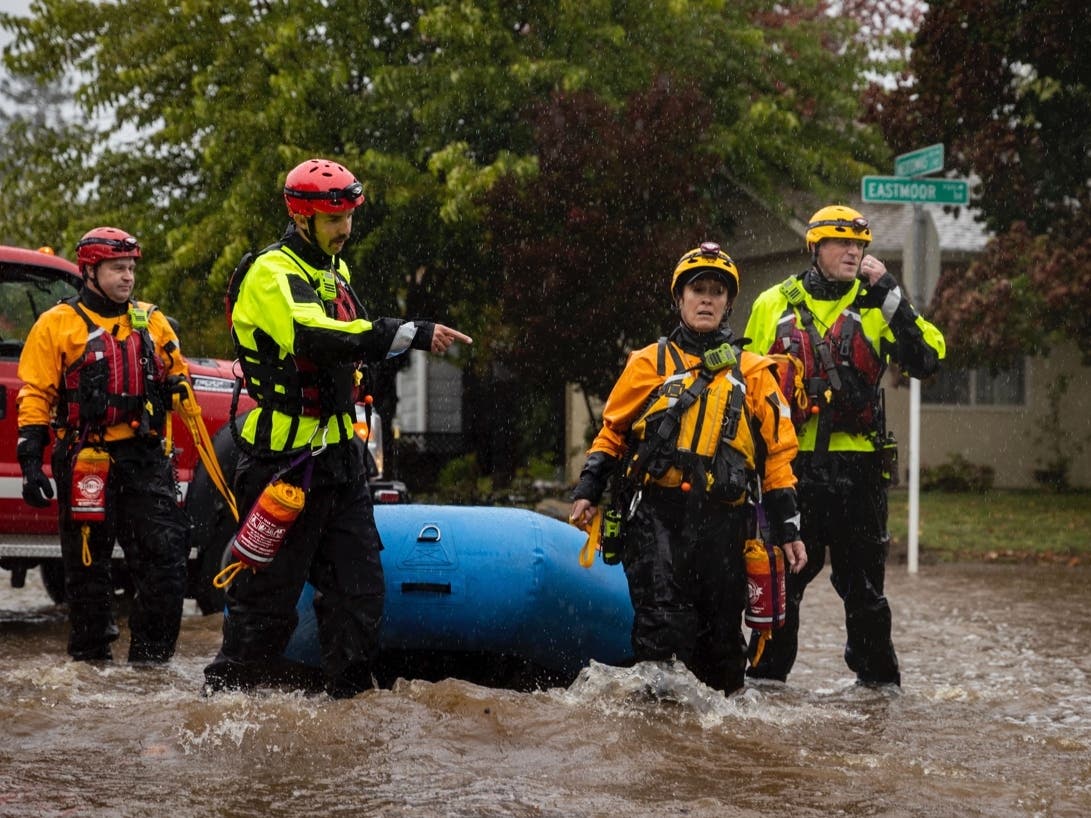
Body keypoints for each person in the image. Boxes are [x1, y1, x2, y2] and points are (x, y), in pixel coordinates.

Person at [203, 157, 471, 698]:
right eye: (333, 219)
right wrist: (409, 332)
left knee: (360, 595)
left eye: (349, 217)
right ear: (301, 218)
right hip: (283, 465)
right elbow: (318, 338)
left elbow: (355, 338)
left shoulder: (335, 272)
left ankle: (345, 713)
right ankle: (220, 712)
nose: (345, 229)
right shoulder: (269, 273)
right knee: (265, 608)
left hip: (340, 461)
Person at [570, 242, 807, 696]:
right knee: (662, 630)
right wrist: (588, 488)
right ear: (679, 299)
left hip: (725, 525)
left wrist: (790, 529)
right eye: (697, 290)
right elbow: (613, 433)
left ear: (728, 303)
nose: (706, 299)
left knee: (721, 649)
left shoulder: (754, 371)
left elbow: (778, 458)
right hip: (657, 518)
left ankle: (712, 749)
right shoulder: (648, 363)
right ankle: (658, 736)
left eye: (716, 292)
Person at [743, 205, 946, 687]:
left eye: (860, 245)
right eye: (842, 243)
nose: (854, 252)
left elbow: (927, 360)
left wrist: (892, 295)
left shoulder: (880, 302)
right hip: (793, 474)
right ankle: (764, 694)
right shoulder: (773, 303)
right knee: (780, 592)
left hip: (860, 475)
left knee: (866, 597)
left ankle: (878, 698)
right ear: (815, 248)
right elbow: (747, 389)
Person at [16, 227, 192, 664]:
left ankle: (149, 667)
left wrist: (174, 385)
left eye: (131, 268)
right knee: (88, 571)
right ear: (90, 271)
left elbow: (179, 375)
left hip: (144, 457)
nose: (128, 277)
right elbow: (35, 395)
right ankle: (92, 666)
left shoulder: (151, 321)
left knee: (166, 563)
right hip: (84, 460)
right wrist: (30, 462)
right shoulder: (58, 324)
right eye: (118, 268)